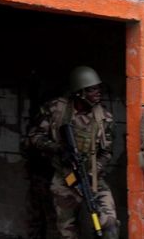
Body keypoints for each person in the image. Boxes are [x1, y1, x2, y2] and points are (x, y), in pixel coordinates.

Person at [28, 66, 119, 239]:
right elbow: (34, 136)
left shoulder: (104, 118)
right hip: (65, 177)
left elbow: (107, 152)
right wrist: (58, 149)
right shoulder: (57, 110)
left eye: (99, 88)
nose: (98, 93)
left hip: (92, 179)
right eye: (92, 89)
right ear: (80, 92)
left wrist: (93, 171)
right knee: (66, 231)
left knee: (109, 225)